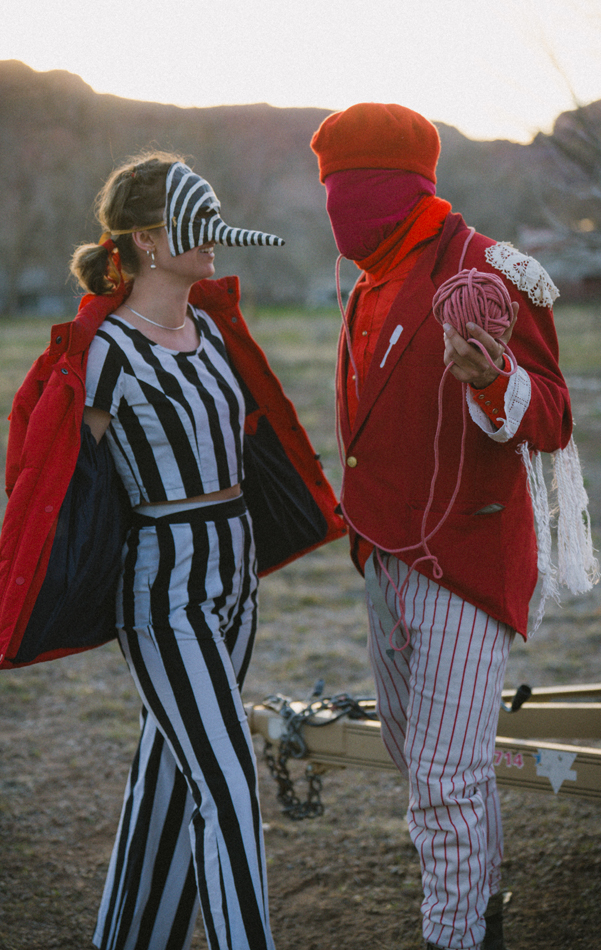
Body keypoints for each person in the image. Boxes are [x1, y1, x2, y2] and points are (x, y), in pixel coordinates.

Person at [0, 151, 345, 949]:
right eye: (203, 228)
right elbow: (59, 479)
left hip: (234, 578)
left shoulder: (215, 328)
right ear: (151, 240)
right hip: (165, 593)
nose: (218, 243)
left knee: (168, 778)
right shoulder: (106, 352)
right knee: (226, 783)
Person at [310, 103, 598, 950]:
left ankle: (455, 935)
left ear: (400, 189)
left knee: (442, 774)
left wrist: (492, 379)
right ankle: (480, 904)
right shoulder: (365, 274)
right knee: (421, 759)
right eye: (329, 191)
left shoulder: (488, 272)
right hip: (384, 558)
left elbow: (551, 416)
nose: (338, 210)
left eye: (350, 190)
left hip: (464, 557)